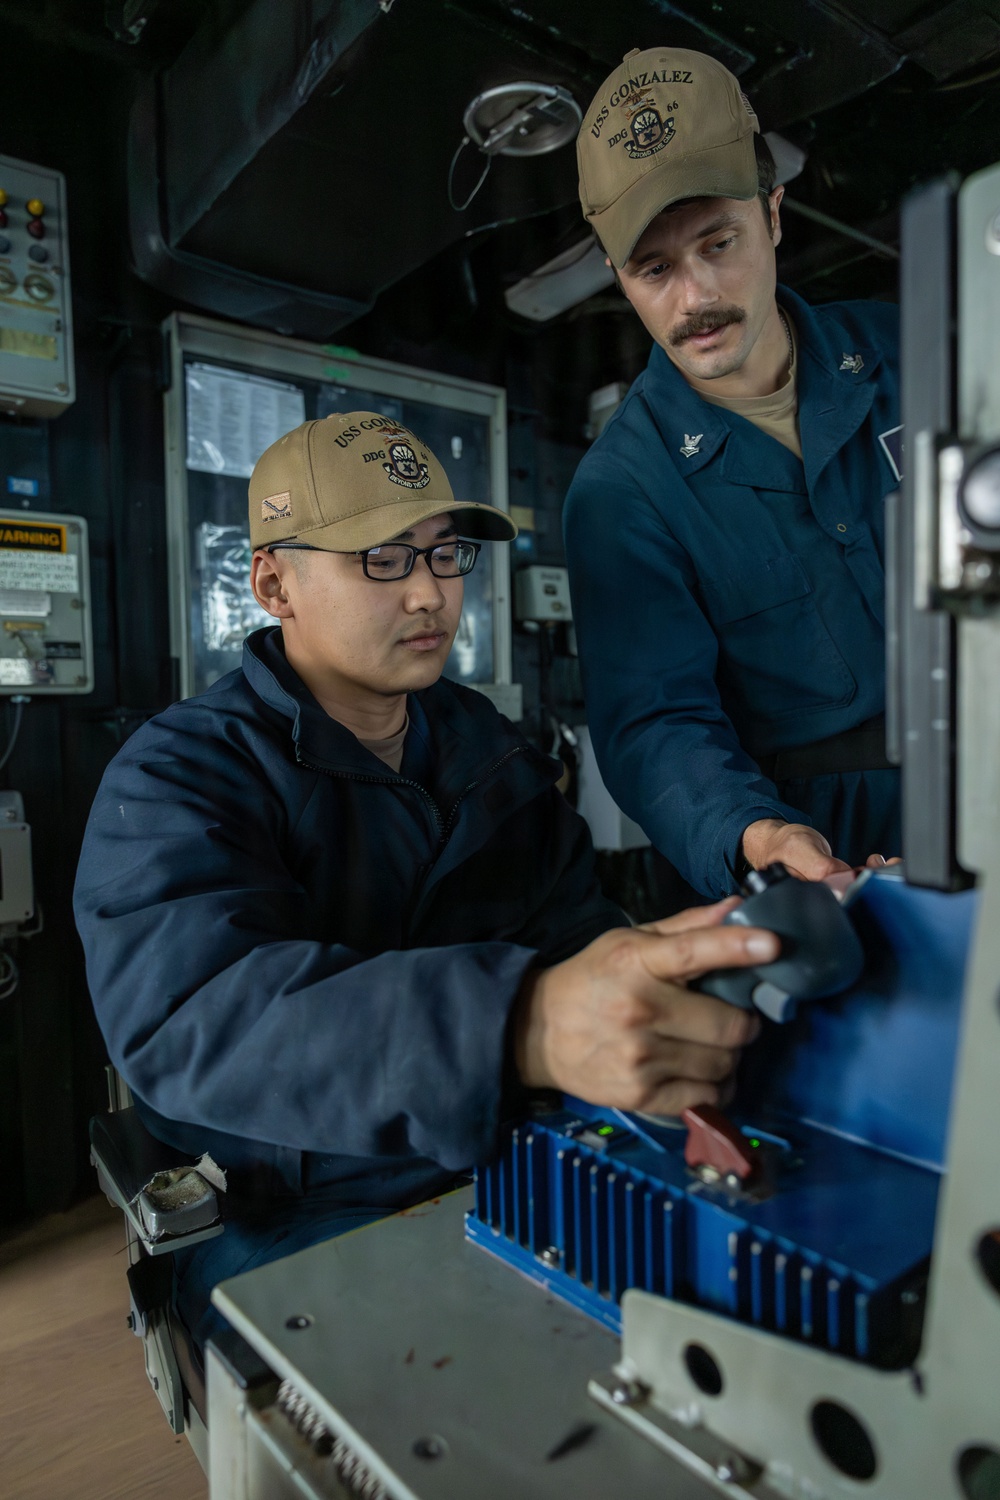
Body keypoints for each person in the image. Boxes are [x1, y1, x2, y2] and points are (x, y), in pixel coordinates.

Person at [74, 411, 775, 1350]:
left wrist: (690, 963)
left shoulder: (492, 752)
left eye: (444, 557)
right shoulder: (178, 775)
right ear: (273, 582)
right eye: (381, 559)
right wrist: (518, 1025)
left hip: (509, 1151)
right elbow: (198, 1016)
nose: (429, 596)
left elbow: (576, 933)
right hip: (295, 1206)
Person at [564, 46, 902, 901]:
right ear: (617, 276)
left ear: (775, 213)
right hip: (823, 850)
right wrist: (760, 833)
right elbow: (656, 721)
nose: (696, 298)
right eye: (654, 270)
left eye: (721, 242)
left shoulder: (921, 350)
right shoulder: (622, 493)